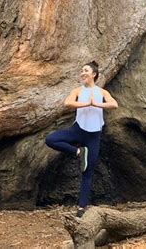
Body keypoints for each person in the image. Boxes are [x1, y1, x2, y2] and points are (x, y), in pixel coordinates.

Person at [45, 61, 118, 217]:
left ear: (94, 74)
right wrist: (86, 103)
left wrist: (97, 104)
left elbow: (114, 104)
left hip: (94, 136)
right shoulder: (78, 90)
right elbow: (67, 102)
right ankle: (78, 151)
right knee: (51, 139)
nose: (82, 73)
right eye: (81, 71)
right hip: (77, 131)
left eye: (86, 70)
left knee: (88, 172)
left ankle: (81, 209)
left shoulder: (101, 92)